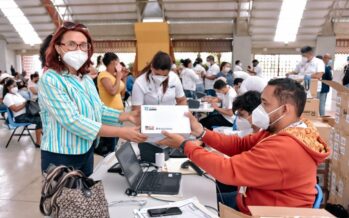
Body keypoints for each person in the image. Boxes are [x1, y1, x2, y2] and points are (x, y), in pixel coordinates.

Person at [159, 78, 330, 214]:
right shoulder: (281, 129)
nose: (259, 109)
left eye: (265, 104)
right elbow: (240, 144)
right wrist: (201, 131)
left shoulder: (285, 146)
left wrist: (184, 145)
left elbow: (227, 170)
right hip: (254, 198)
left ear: (285, 109)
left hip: (264, 212)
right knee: (197, 196)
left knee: (187, 206)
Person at [39, 21, 147, 177]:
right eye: (71, 44)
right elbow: (72, 120)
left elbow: (99, 109)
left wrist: (127, 115)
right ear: (58, 47)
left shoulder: (86, 79)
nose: (78, 50)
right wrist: (121, 132)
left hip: (86, 149)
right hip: (61, 154)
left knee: (84, 196)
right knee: (65, 200)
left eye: (83, 45)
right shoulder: (51, 79)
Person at [96, 52, 126, 156]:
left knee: (115, 143)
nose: (119, 66)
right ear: (113, 62)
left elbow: (121, 90)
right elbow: (112, 91)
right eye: (118, 63)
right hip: (110, 115)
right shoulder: (104, 75)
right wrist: (118, 76)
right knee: (110, 146)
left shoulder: (112, 76)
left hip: (118, 114)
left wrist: (121, 76)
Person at [3, 78, 42, 147]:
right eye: (13, 86)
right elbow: (15, 109)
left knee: (42, 115)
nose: (15, 87)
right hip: (20, 117)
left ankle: (43, 138)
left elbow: (24, 102)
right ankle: (38, 142)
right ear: (8, 87)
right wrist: (25, 103)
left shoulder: (17, 94)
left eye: (15, 85)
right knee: (39, 120)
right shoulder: (7, 97)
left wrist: (28, 102)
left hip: (26, 113)